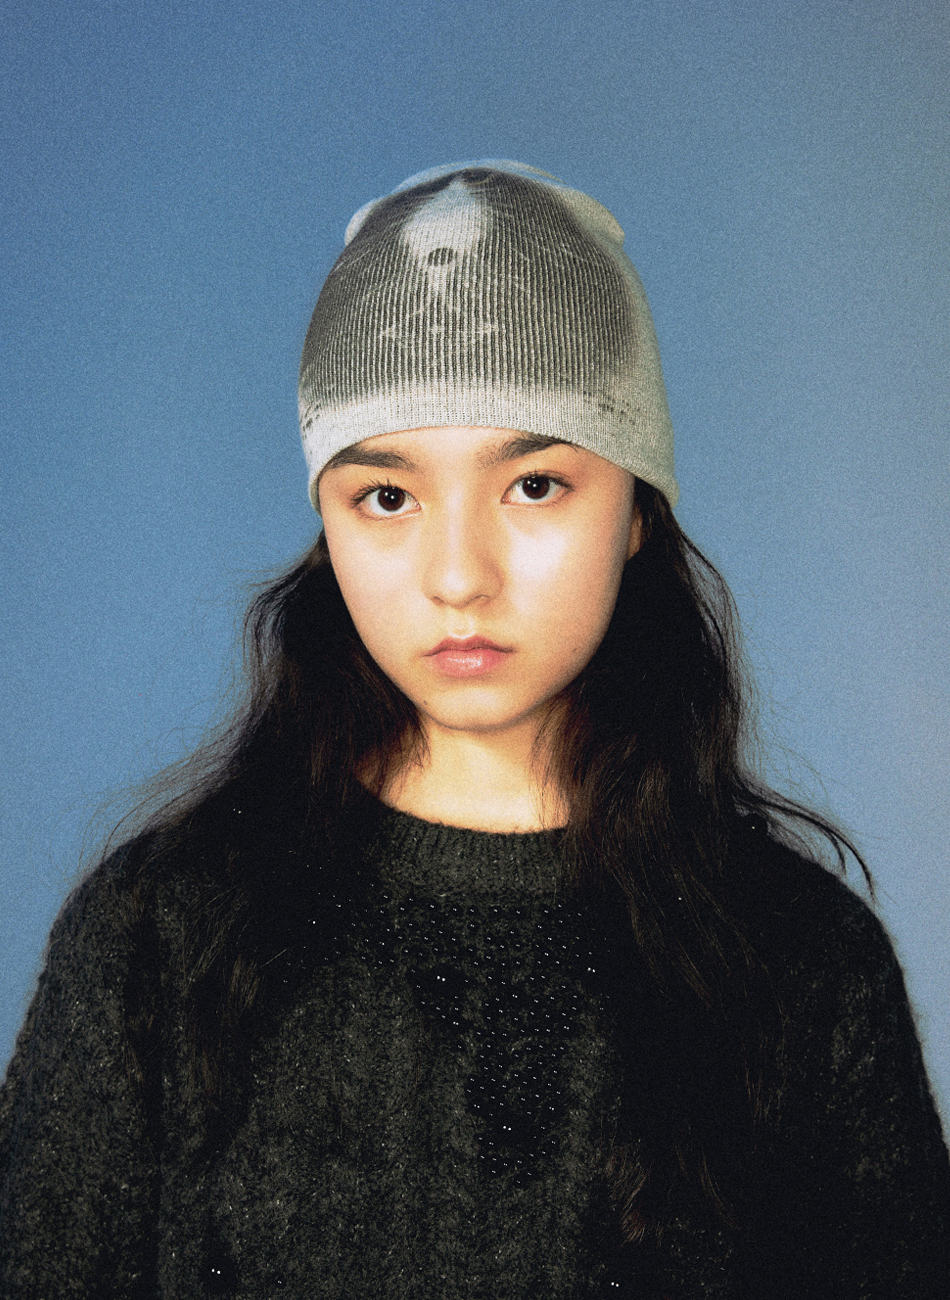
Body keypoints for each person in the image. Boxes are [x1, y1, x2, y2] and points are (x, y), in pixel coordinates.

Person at [1, 161, 947, 1299]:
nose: (457, 576)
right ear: (327, 520)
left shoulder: (801, 966)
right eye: (387, 497)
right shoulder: (156, 940)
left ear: (637, 509)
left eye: (534, 484)